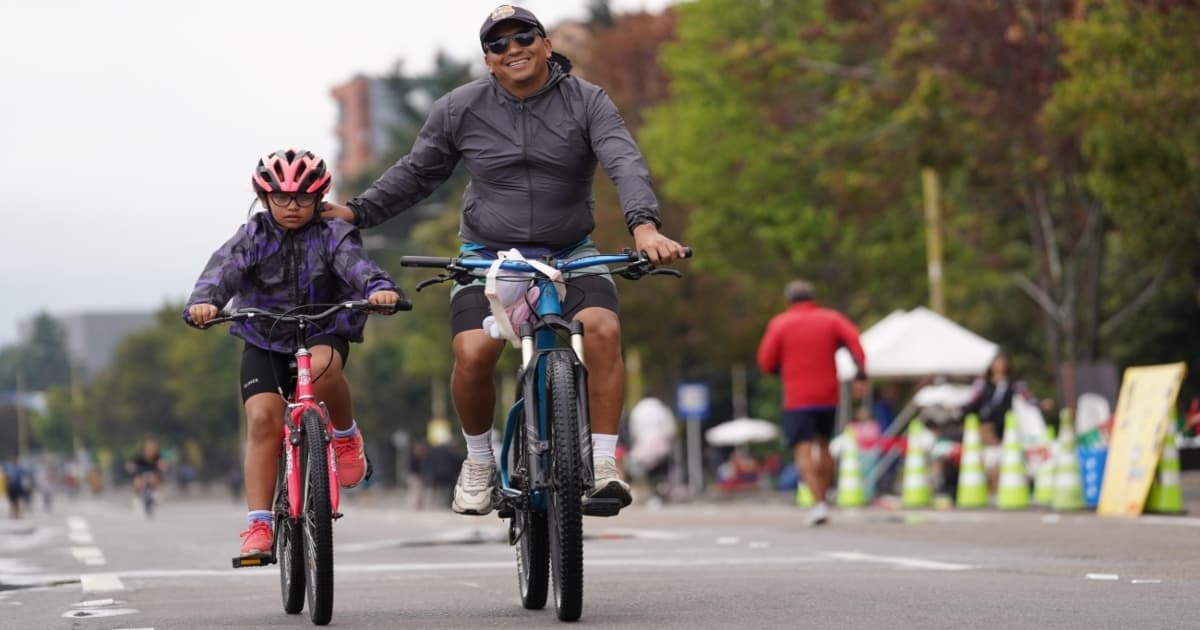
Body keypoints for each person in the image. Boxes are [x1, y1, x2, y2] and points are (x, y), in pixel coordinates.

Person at [321, 5, 687, 516]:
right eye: (498, 44)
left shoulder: (588, 101)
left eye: (523, 38)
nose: (512, 49)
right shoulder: (460, 107)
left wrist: (644, 226)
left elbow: (623, 160)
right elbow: (417, 172)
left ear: (545, 44)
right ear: (488, 61)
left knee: (602, 329)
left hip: (570, 253)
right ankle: (478, 462)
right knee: (473, 354)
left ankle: (604, 464)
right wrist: (357, 212)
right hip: (487, 256)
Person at [184, 148, 403, 558]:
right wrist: (206, 302)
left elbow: (357, 266)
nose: (291, 207)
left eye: (303, 198)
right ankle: (259, 526)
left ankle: (344, 436)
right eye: (281, 198)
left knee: (322, 372)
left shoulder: (332, 234)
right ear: (263, 197)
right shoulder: (252, 237)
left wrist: (378, 289)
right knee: (263, 419)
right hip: (264, 335)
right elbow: (221, 271)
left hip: (323, 328)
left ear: (319, 198)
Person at [757, 280, 866, 526]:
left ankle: (818, 504)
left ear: (789, 300)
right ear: (813, 298)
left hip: (797, 397)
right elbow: (854, 341)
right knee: (824, 446)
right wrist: (861, 374)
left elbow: (766, 361)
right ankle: (824, 500)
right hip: (828, 394)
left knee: (803, 450)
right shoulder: (831, 318)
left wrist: (782, 369)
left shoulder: (780, 324)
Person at [958, 351, 1049, 490]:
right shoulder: (983, 383)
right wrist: (958, 410)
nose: (1000, 365)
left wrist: (1040, 404)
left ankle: (999, 487)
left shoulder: (1014, 384)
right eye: (997, 362)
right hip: (986, 426)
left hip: (1007, 428)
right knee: (987, 454)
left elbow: (1027, 398)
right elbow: (972, 402)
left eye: (1003, 362)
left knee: (1002, 457)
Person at [126, 438, 166, 507]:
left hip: (153, 474)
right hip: (140, 474)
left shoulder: (157, 457)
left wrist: (163, 466)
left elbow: (162, 464)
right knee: (137, 482)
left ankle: (156, 493)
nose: (151, 450)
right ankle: (137, 496)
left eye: (152, 448)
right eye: (149, 448)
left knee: (154, 478)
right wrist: (130, 466)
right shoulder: (140, 456)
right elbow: (130, 463)